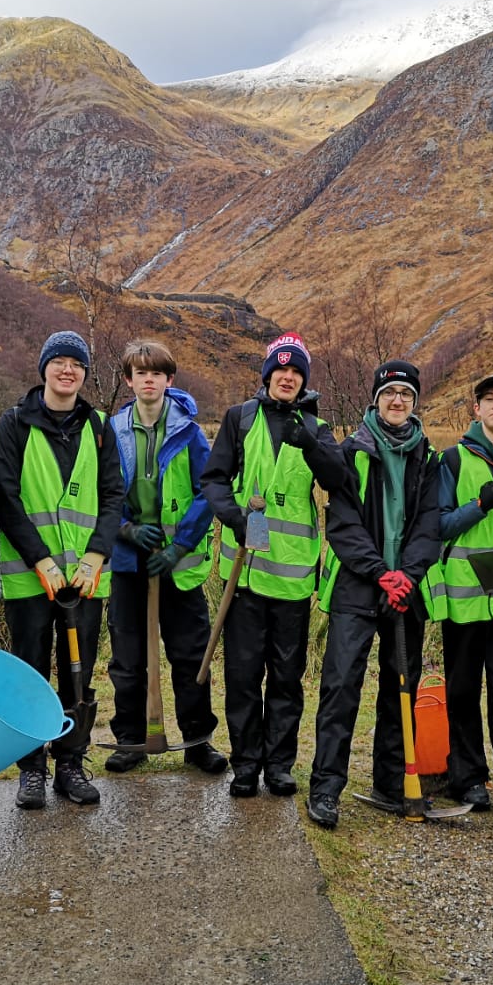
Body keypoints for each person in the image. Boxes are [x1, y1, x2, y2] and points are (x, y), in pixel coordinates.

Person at [200, 333, 346, 798]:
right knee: (243, 678)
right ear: (267, 376)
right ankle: (245, 765)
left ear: (304, 380)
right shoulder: (240, 419)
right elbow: (215, 478)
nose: (287, 377)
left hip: (294, 579)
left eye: (296, 371)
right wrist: (235, 518)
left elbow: (341, 481)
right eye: (280, 370)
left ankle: (279, 765)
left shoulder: (318, 428)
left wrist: (313, 444)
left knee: (286, 679)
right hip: (244, 577)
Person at [307, 360, 441, 829]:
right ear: (375, 400)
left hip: (406, 592)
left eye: (406, 393)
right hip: (357, 589)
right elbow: (342, 525)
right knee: (341, 686)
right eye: (390, 393)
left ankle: (390, 781)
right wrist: (381, 573)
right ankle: (325, 788)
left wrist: (408, 575)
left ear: (415, 401)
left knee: (400, 687)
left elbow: (430, 524)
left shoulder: (428, 456)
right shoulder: (352, 453)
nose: (398, 400)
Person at [0, 330, 123, 809]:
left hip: (86, 581)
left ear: (85, 374)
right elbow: (5, 497)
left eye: (76, 364)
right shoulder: (14, 424)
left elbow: (113, 496)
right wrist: (40, 559)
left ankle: (70, 762)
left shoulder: (100, 429)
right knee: (30, 672)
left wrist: (95, 555)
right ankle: (31, 768)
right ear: (44, 368)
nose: (67, 370)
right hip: (32, 577)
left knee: (78, 671)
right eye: (59, 362)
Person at [103, 340, 228, 775]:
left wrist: (180, 546)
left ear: (169, 380)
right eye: (141, 373)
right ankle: (131, 741)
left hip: (177, 566)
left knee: (190, 655)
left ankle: (197, 742)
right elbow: (106, 490)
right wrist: (126, 529)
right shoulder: (112, 431)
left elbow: (208, 489)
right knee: (128, 658)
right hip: (127, 563)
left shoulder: (190, 432)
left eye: (157, 373)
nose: (149, 380)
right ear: (129, 380)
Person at [424, 373, 493, 819]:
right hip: (465, 601)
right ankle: (467, 778)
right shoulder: (451, 461)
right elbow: (440, 525)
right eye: (489, 400)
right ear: (476, 409)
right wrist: (481, 505)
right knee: (463, 691)